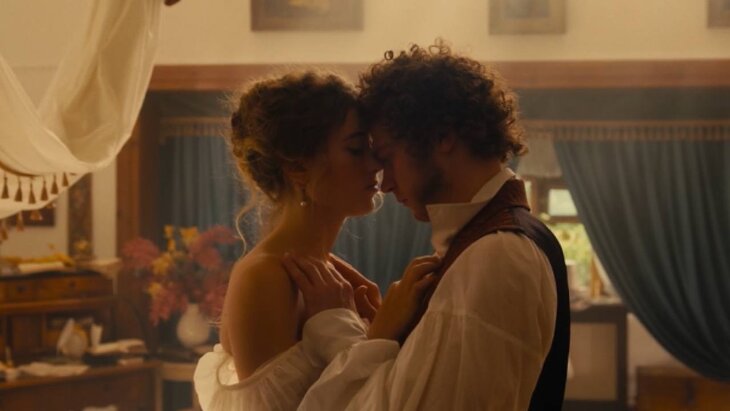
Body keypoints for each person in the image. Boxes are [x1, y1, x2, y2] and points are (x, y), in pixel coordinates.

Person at [285, 41, 571, 410]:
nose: (385, 184)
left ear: (442, 137)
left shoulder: (496, 254)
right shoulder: (494, 241)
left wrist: (338, 326)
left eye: (388, 157)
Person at [193, 70, 385, 411]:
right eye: (356, 149)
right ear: (298, 169)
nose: (375, 164)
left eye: (372, 148)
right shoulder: (265, 276)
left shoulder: (329, 274)